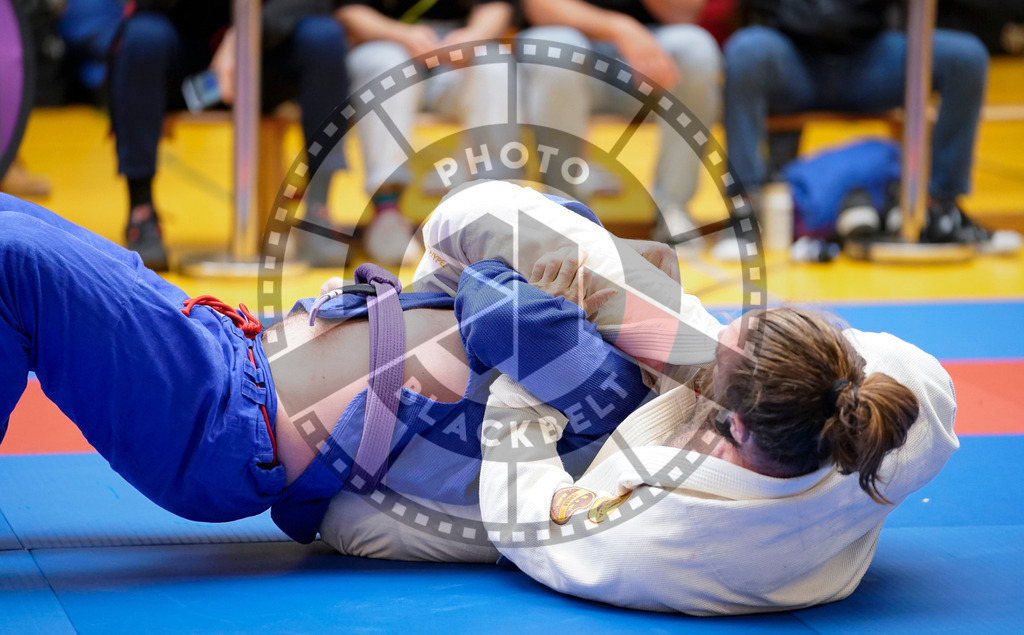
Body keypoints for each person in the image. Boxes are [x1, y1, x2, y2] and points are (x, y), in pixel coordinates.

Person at [0, 181, 956, 614]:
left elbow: (504, 291)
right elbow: (916, 406)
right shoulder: (821, 439)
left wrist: (668, 333)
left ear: (731, 411)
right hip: (230, 345)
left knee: (10, 263)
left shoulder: (618, 394)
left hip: (223, 420)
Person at [714, 0, 1004, 259]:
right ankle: (746, 212)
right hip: (792, 57)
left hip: (870, 57)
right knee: (745, 52)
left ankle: (939, 209)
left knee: (966, 58)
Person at [110, 0, 348, 270]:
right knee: (141, 37)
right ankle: (141, 210)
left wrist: (246, 36)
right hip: (187, 61)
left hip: (266, 57)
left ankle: (319, 206)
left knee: (324, 38)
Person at [513, 0, 721, 247]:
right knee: (553, 47)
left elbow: (685, 10)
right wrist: (620, 28)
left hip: (648, 64)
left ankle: (673, 208)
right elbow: (542, 3)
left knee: (696, 49)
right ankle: (565, 210)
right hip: (573, 60)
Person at [333, 0, 516, 265]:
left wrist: (471, 38)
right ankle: (386, 211)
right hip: (385, 42)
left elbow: (496, 1)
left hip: (457, 54)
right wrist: (402, 35)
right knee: (384, 63)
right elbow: (350, 8)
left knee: (496, 64)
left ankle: (490, 210)